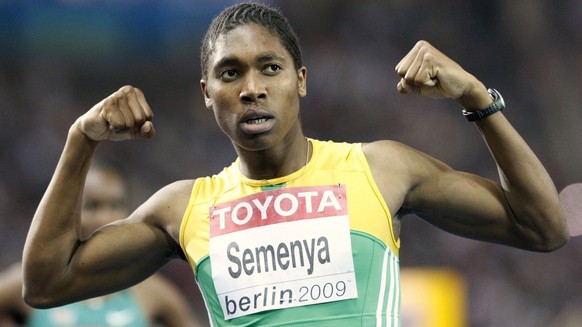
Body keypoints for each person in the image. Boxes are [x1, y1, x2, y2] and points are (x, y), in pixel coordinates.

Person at [22, 2, 569, 326]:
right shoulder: (184, 207)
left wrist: (477, 97)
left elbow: (544, 228)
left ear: (300, 80)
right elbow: (45, 285)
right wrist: (79, 141)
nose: (253, 89)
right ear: (207, 94)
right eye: (231, 74)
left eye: (270, 68)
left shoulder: (380, 169)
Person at [0, 160, 199, 326]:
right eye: (92, 206)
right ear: (66, 213)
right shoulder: (29, 284)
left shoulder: (150, 291)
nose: (106, 218)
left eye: (115, 205)